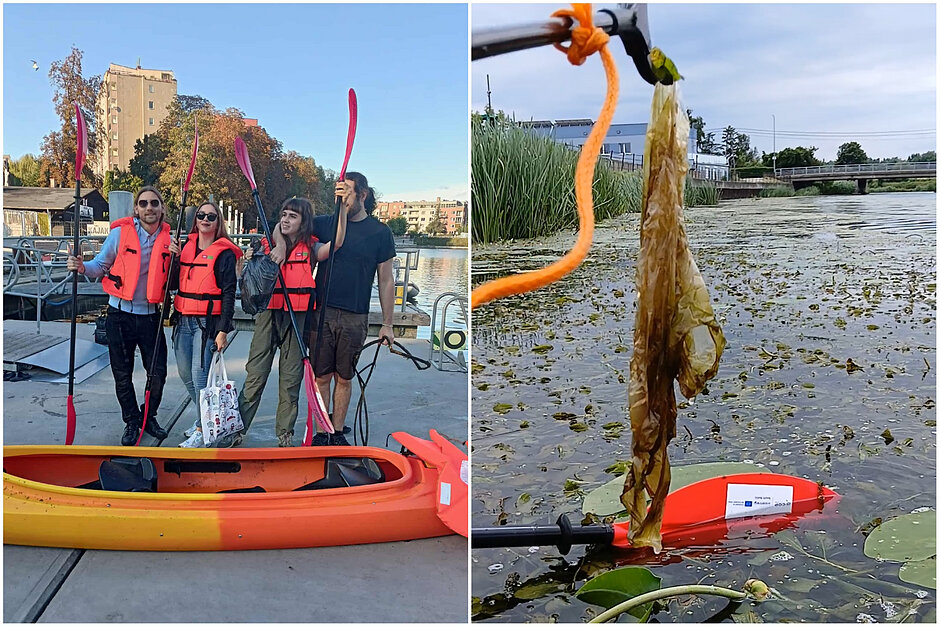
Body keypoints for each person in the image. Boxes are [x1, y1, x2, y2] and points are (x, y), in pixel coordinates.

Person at [235, 196, 347, 447]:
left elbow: (337, 243)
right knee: (255, 375)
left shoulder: (312, 248)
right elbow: (246, 277)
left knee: (291, 378)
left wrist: (340, 205)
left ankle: (285, 434)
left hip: (297, 317)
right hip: (269, 315)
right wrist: (250, 259)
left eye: (292, 216)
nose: (285, 220)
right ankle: (238, 429)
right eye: (284, 214)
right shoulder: (267, 243)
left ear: (303, 221)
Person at [67, 186, 172, 446]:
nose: (149, 208)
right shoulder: (120, 233)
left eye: (154, 203)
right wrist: (81, 266)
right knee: (122, 374)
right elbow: (99, 266)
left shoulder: (172, 240)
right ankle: (132, 421)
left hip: (151, 318)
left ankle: (149, 416)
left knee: (157, 373)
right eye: (144, 203)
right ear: (136, 209)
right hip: (120, 315)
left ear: (162, 208)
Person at [303, 172, 396, 447]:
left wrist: (388, 324)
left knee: (344, 377)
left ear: (363, 195)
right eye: (338, 193)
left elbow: (386, 279)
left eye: (347, 193)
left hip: (356, 316)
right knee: (322, 376)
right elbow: (286, 224)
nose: (341, 199)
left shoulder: (380, 232)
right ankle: (322, 432)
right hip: (322, 312)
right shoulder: (325, 223)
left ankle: (337, 431)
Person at [169, 201, 243, 448]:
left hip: (207, 323)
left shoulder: (224, 253)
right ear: (196, 219)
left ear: (218, 221)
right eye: (201, 215)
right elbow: (171, 283)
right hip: (183, 318)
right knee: (184, 373)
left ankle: (203, 429)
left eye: (211, 216)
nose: (205, 219)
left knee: (201, 378)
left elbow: (229, 293)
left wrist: (223, 330)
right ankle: (204, 418)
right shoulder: (184, 247)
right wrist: (173, 259)